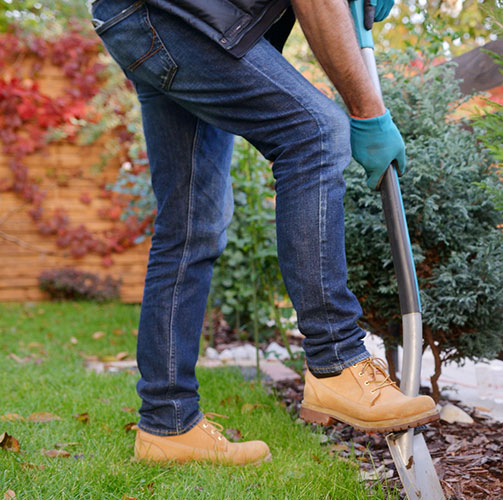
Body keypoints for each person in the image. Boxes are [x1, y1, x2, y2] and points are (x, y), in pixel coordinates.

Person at [88, 0, 437, 465]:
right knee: (314, 133)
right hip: (173, 17)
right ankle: (337, 361)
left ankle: (167, 424)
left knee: (191, 223)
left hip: (144, 18)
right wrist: (368, 113)